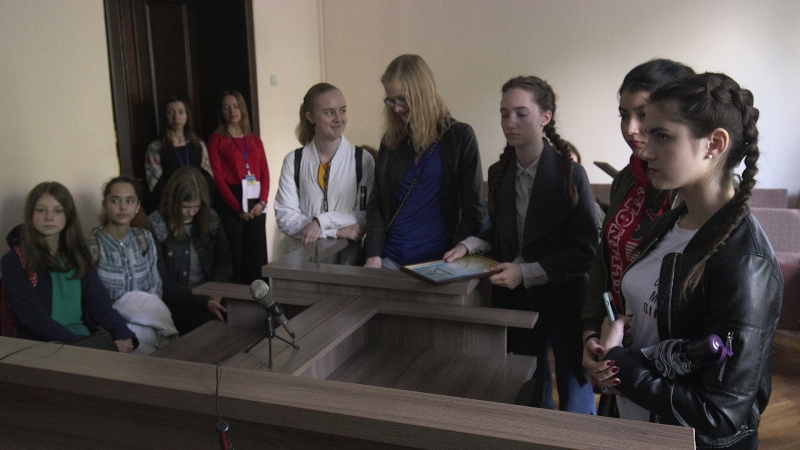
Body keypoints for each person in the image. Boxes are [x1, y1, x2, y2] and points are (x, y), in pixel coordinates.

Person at [587, 73, 781, 449]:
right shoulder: (672, 222)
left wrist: (619, 363)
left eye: (662, 136)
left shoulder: (746, 263)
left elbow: (719, 415)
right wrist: (604, 348)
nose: (644, 151)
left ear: (714, 144)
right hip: (634, 425)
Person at [444, 76, 599, 413]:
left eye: (520, 113)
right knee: (530, 385)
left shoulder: (571, 174)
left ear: (545, 117)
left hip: (564, 297)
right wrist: (468, 246)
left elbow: (584, 250)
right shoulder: (500, 172)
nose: (509, 123)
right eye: (504, 114)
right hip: (518, 301)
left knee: (574, 386)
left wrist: (525, 272)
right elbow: (500, 232)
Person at [581, 60, 695, 393]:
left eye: (643, 114)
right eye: (623, 115)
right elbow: (604, 258)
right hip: (616, 340)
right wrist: (591, 332)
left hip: (670, 357)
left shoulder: (694, 193)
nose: (631, 128)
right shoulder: (627, 179)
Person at [364, 54, 484, 269]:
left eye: (402, 99)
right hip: (390, 260)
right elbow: (377, 204)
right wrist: (373, 255)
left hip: (440, 263)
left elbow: (472, 208)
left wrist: (459, 254)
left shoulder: (459, 137)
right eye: (391, 100)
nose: (396, 108)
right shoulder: (391, 141)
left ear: (422, 93)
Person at [1, 182, 137, 352]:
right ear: (30, 214)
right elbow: (33, 318)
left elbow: (99, 302)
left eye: (58, 211)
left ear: (68, 215)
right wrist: (80, 346)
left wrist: (123, 334)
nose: (49, 217)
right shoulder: (14, 261)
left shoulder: (78, 254)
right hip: (41, 346)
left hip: (83, 339)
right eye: (41, 210)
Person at [274, 83, 375, 265]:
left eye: (342, 110)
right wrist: (334, 231)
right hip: (304, 261)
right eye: (329, 112)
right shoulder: (293, 161)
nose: (339, 119)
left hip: (347, 262)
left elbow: (364, 214)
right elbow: (285, 216)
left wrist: (321, 222)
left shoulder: (362, 160)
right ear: (310, 117)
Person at [87, 176, 177, 354]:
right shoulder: (91, 244)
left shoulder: (144, 238)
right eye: (115, 201)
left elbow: (155, 285)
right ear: (105, 205)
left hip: (149, 320)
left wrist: (145, 317)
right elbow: (92, 299)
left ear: (137, 206)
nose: (123, 207)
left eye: (129, 201)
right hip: (110, 328)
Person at [148, 166, 232, 335]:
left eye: (196, 207)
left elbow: (225, 262)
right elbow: (163, 283)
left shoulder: (211, 218)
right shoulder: (156, 224)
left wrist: (216, 290)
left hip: (210, 293)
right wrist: (202, 302)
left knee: (246, 317)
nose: (191, 213)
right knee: (212, 326)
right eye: (185, 207)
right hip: (178, 301)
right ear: (173, 201)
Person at [208, 90, 269, 284]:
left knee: (255, 254)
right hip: (231, 200)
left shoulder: (254, 139)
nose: (232, 111)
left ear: (242, 109)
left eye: (235, 106)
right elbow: (217, 178)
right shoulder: (217, 140)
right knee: (236, 254)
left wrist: (262, 202)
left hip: (256, 198)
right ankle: (237, 297)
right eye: (226, 107)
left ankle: (257, 296)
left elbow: (265, 173)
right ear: (221, 112)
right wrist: (237, 208)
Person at [144, 97, 215, 213]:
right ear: (165, 116)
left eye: (181, 112)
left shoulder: (199, 145)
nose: (176, 117)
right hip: (171, 207)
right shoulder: (155, 147)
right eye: (171, 112)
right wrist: (174, 205)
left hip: (197, 205)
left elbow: (208, 176)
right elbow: (155, 183)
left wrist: (201, 202)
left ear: (187, 115)